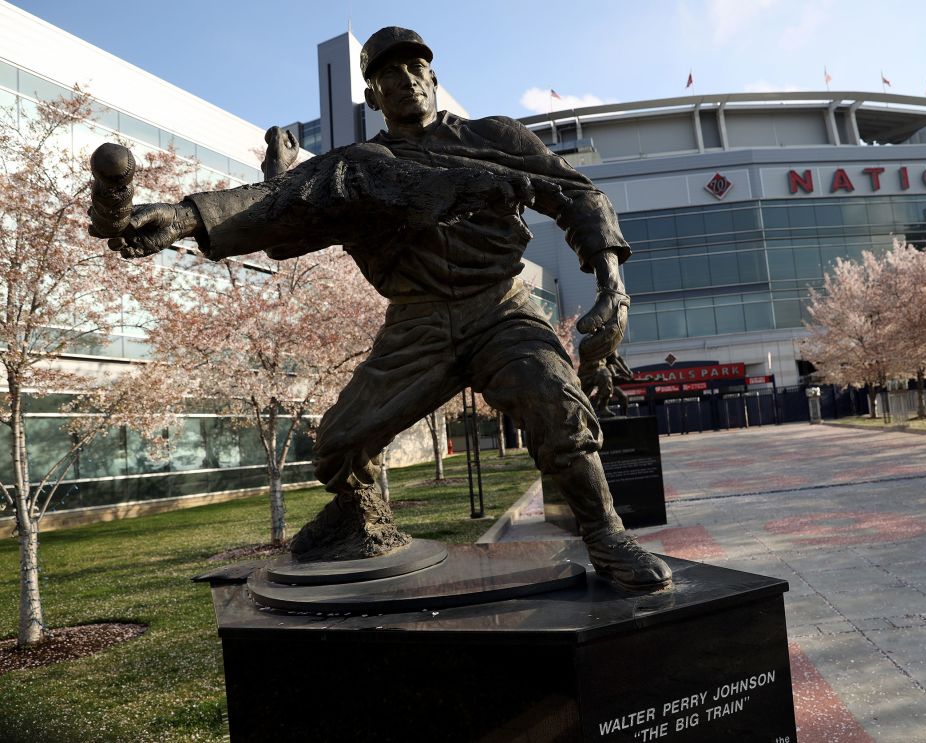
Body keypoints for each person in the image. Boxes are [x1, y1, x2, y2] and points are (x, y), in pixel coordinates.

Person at [94, 27, 670, 592]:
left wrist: (611, 286)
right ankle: (360, 519)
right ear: (372, 96)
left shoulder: (494, 136)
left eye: (415, 69)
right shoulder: (355, 168)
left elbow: (577, 194)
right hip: (416, 325)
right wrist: (185, 217)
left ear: (434, 79)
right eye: (388, 74)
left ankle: (606, 533)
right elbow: (283, 210)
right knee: (338, 445)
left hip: (501, 308)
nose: (405, 81)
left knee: (554, 403)